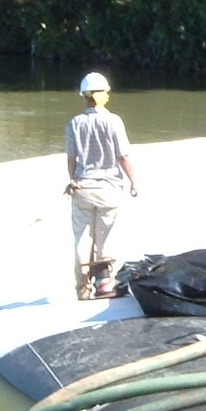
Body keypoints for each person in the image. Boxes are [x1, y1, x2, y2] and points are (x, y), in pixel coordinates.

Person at [65, 71, 139, 299]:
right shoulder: (114, 121)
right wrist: (134, 181)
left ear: (84, 96)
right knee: (105, 238)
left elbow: (72, 159)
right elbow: (123, 156)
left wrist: (73, 180)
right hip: (109, 190)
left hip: (83, 189)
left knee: (82, 240)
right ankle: (104, 285)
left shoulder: (75, 123)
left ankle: (82, 289)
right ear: (104, 95)